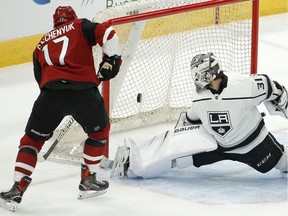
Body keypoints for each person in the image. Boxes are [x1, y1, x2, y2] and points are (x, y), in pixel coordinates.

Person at [0, 5, 122, 211]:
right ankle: (88, 180)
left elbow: (40, 80)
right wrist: (111, 60)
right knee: (99, 132)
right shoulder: (80, 25)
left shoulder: (40, 44)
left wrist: (60, 95)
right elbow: (109, 33)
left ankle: (16, 189)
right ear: (72, 17)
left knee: (31, 140)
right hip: (84, 93)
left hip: (51, 95)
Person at [110, 52, 287, 179]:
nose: (195, 78)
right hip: (217, 145)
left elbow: (275, 89)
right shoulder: (199, 97)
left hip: (253, 143)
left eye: (197, 73)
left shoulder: (243, 85)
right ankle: (132, 163)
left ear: (209, 74)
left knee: (283, 163)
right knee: (181, 159)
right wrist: (177, 145)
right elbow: (189, 119)